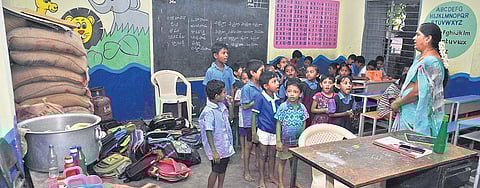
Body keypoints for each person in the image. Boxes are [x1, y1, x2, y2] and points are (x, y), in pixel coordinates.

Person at [391, 23, 449, 136]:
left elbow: (418, 92)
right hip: (407, 112)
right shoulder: (420, 58)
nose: (414, 38)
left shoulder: (431, 62)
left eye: (417, 35)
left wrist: (397, 103)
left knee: (412, 148)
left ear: (428, 38)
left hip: (416, 117)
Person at [199, 80, 235, 188]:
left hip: (225, 145)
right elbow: (208, 131)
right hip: (217, 148)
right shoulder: (209, 111)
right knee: (215, 170)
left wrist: (231, 105)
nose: (226, 94)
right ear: (216, 95)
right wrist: (214, 152)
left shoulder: (221, 106)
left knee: (222, 169)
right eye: (224, 92)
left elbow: (230, 118)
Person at [274, 78, 308, 188]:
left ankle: (294, 182)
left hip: (296, 141)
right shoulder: (283, 107)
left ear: (300, 94)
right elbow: (278, 123)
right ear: (285, 92)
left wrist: (302, 138)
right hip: (285, 141)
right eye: (289, 91)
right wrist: (278, 141)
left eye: (295, 92)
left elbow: (304, 122)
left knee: (294, 163)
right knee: (282, 161)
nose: (292, 94)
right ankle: (280, 183)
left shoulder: (302, 107)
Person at [252, 71, 281, 188]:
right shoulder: (260, 97)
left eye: (277, 81)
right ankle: (261, 179)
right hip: (263, 131)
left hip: (274, 131)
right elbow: (254, 116)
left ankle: (271, 175)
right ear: (266, 86)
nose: (277, 83)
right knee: (263, 155)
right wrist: (254, 133)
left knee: (273, 154)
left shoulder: (277, 98)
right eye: (274, 82)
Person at [240, 59, 264, 182]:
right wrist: (258, 101)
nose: (263, 73)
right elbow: (244, 106)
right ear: (253, 73)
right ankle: (246, 171)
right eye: (261, 71)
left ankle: (259, 166)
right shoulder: (247, 88)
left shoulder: (262, 85)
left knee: (259, 145)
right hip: (250, 121)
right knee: (248, 147)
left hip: (261, 120)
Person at [234, 71, 249, 160]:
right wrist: (244, 103)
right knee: (242, 134)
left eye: (248, 78)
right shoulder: (239, 91)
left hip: (250, 116)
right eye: (244, 79)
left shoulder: (253, 90)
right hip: (242, 115)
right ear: (241, 80)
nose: (246, 81)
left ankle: (249, 150)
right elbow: (236, 103)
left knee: (249, 134)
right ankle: (243, 150)